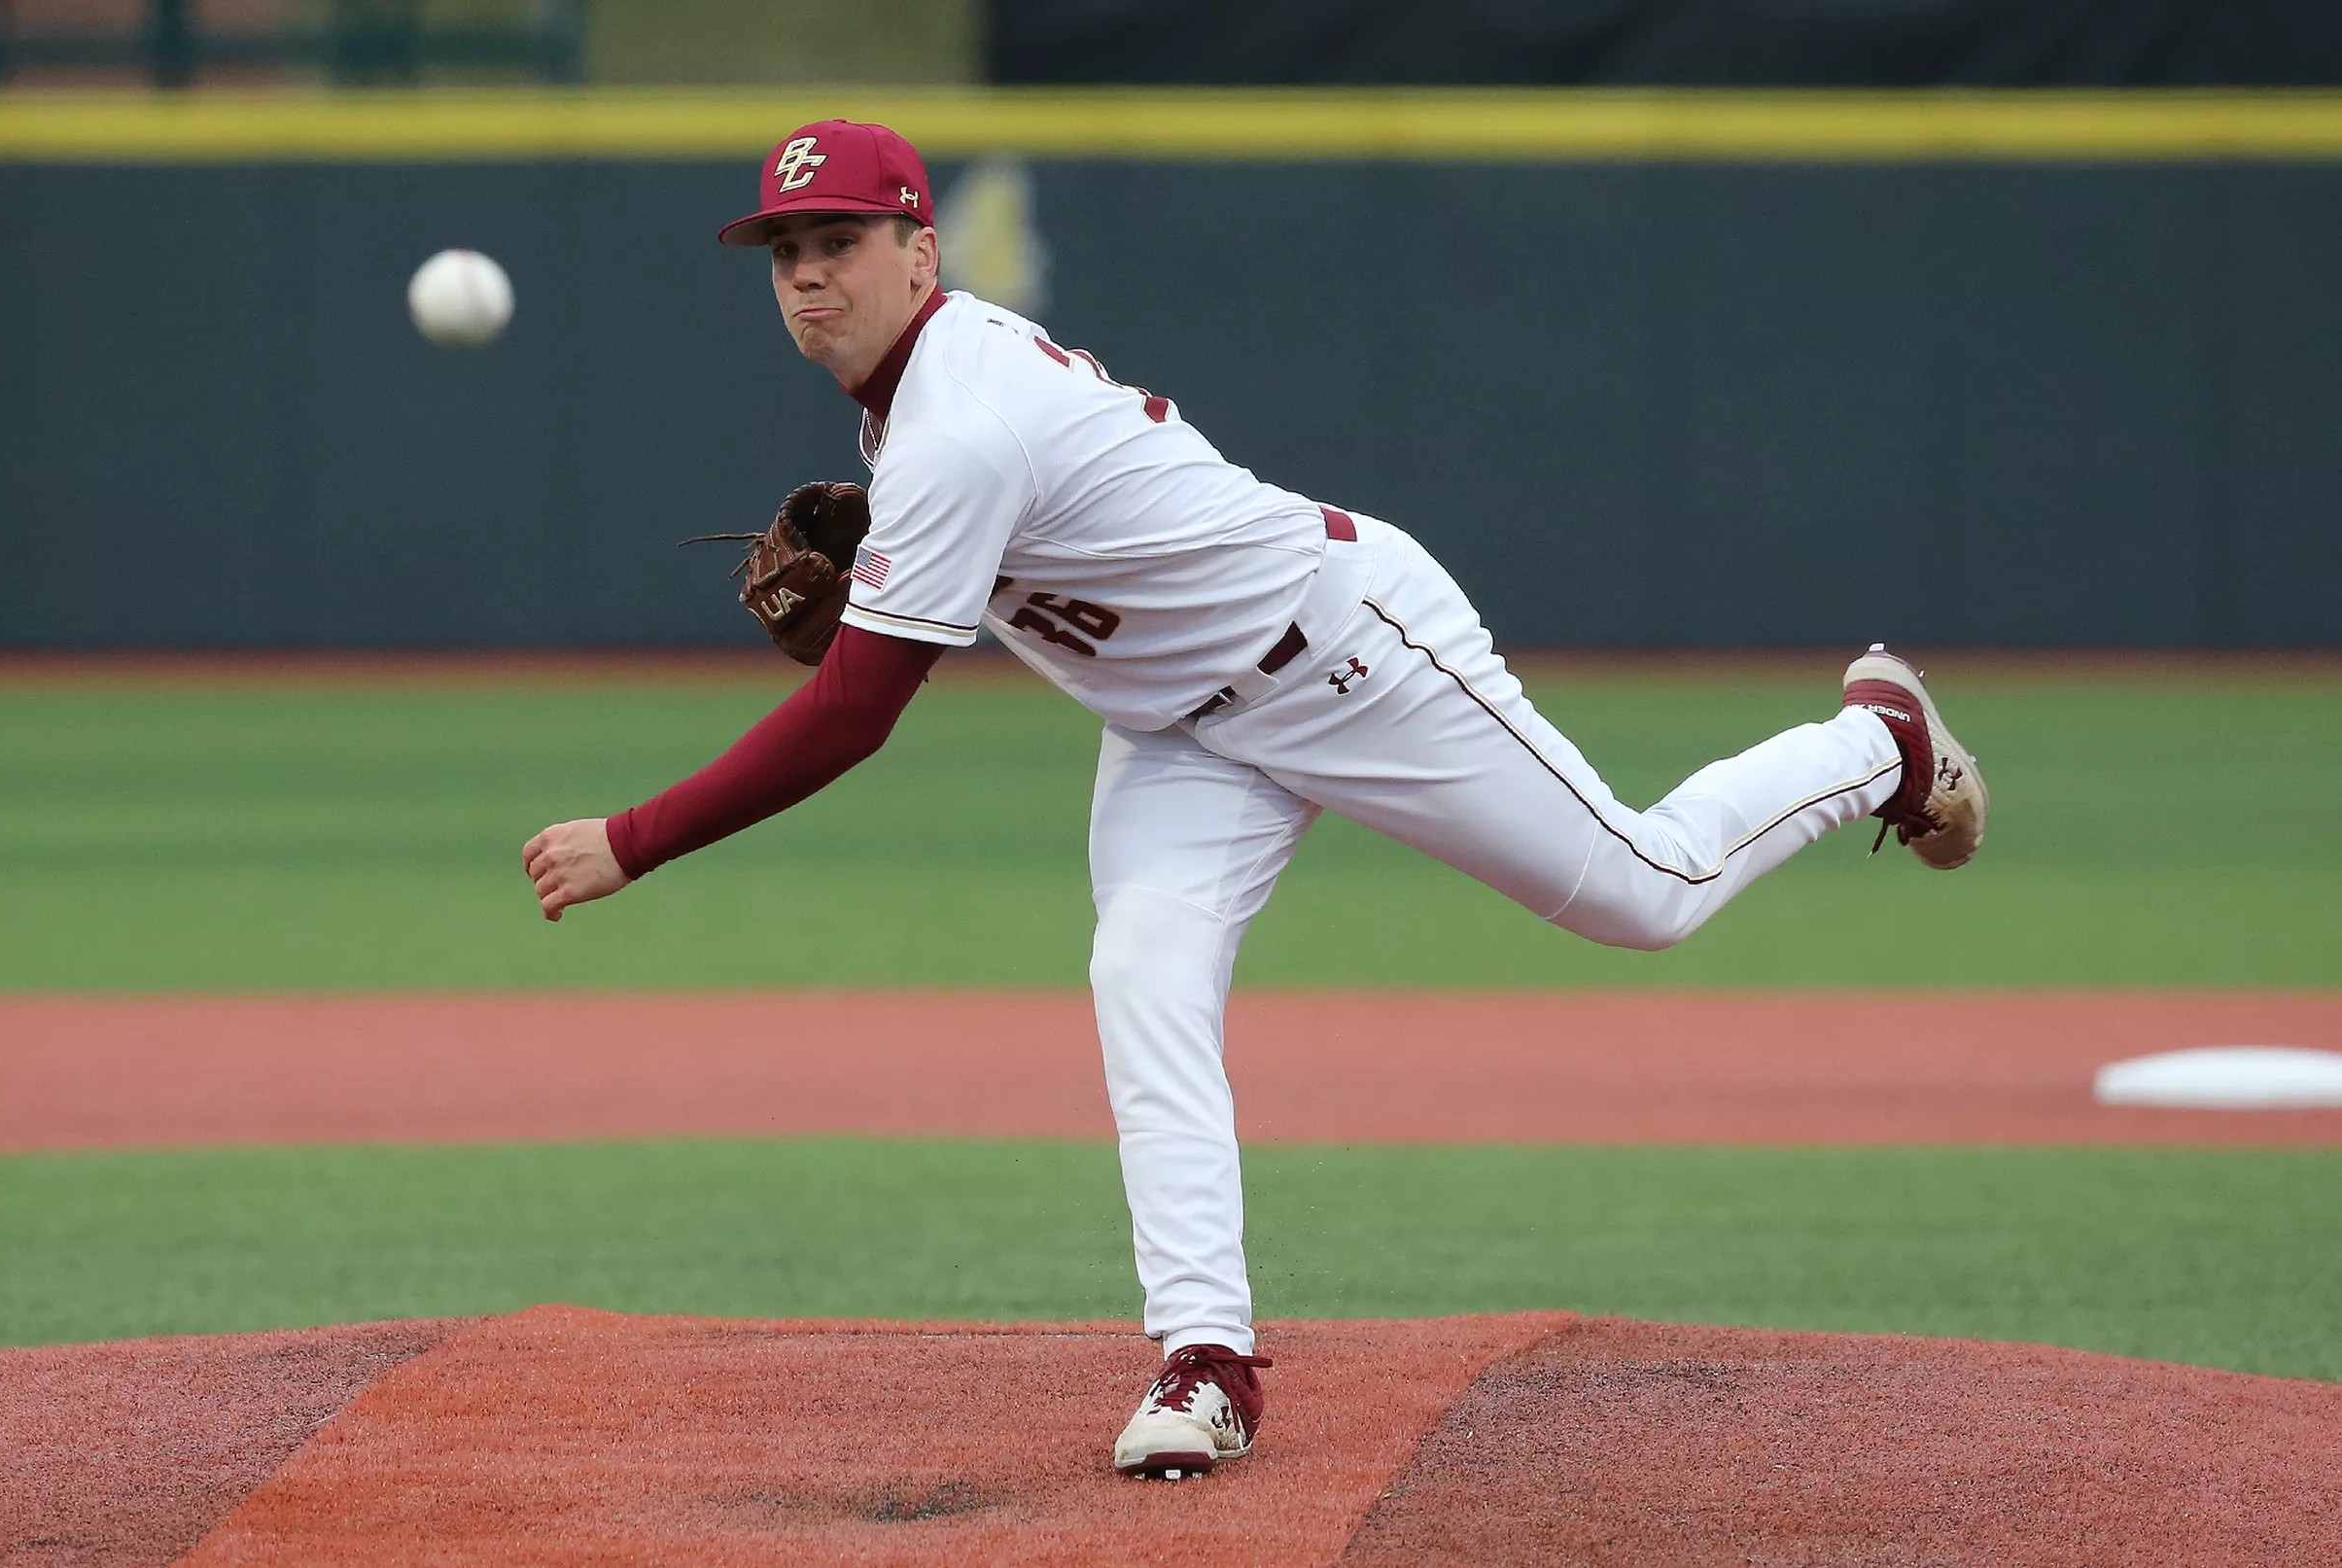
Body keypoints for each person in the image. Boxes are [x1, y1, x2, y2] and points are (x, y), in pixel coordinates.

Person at [520, 119, 1988, 1481]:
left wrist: (631, 841)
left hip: (1350, 654)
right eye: (784, 251)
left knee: (1643, 894)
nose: (806, 275)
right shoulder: (914, 407)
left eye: (839, 240)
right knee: (1142, 973)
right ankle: (1206, 1360)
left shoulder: (954, 425)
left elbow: (851, 716)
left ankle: (1878, 741)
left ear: (922, 251)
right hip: (1179, 731)